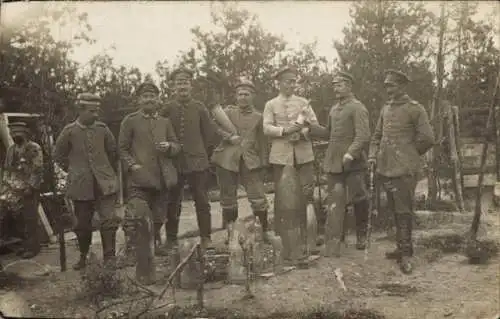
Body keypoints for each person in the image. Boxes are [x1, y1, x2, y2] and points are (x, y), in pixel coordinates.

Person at [368, 69, 435, 274]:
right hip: (387, 168)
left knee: (404, 211)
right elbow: (377, 135)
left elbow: (428, 138)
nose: (388, 90)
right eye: (387, 86)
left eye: (392, 86)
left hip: (404, 169)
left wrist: (410, 154)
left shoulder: (415, 109)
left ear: (402, 86)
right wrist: (372, 155)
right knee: (394, 211)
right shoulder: (385, 109)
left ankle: (406, 255)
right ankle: (401, 248)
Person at [118, 81, 180, 274]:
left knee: (159, 215)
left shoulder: (164, 122)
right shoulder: (130, 121)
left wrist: (169, 147)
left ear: (158, 99)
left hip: (161, 178)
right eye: (145, 96)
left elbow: (177, 146)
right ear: (139, 99)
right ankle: (132, 249)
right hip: (139, 179)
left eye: (153, 96)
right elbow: (122, 149)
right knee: (137, 214)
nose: (149, 99)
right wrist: (132, 165)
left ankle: (155, 242)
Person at [308, 71, 371, 256]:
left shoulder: (357, 108)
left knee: (359, 197)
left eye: (340, 84)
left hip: (354, 161)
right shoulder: (334, 109)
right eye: (334, 85)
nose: (336, 88)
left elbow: (363, 135)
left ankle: (361, 235)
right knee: (336, 199)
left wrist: (351, 153)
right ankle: (337, 236)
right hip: (334, 160)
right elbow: (328, 133)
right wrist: (310, 127)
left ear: (349, 86)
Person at [54, 93, 120, 270]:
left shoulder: (103, 129)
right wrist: (75, 171)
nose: (96, 115)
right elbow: (57, 155)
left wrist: (106, 172)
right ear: (81, 110)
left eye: (97, 111)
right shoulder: (69, 131)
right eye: (92, 111)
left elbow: (113, 152)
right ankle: (84, 256)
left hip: (104, 184)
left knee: (109, 221)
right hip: (81, 186)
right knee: (82, 225)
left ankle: (109, 257)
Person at [262, 66, 320, 257]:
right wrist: (285, 132)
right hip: (281, 155)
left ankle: (307, 236)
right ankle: (284, 237)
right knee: (282, 195)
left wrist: (302, 134)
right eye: (288, 81)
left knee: (306, 192)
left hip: (303, 154)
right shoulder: (271, 104)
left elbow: (314, 125)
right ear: (279, 83)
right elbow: (267, 128)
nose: (291, 85)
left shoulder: (304, 102)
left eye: (294, 81)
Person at [159, 67, 218, 252]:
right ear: (173, 86)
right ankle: (170, 239)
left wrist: (202, 154)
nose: (182, 86)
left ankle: (206, 238)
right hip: (175, 162)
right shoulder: (167, 108)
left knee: (201, 200)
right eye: (178, 82)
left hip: (198, 162)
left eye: (185, 82)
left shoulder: (200, 108)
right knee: (172, 202)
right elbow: (159, 131)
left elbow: (210, 135)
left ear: (191, 85)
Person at [211, 79, 270, 244]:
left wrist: (264, 163)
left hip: (250, 161)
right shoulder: (227, 112)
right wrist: (229, 136)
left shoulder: (259, 117)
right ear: (236, 96)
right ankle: (232, 235)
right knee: (228, 198)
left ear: (253, 96)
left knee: (258, 197)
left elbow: (263, 142)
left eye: (247, 94)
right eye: (240, 94)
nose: (243, 97)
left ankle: (262, 232)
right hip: (227, 159)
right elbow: (214, 128)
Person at [1, 122, 44, 259]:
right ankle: (25, 245)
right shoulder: (11, 150)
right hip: (15, 188)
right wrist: (7, 185)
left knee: (30, 217)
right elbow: (7, 168)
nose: (14, 137)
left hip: (29, 189)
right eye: (12, 134)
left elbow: (38, 170)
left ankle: (33, 247)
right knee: (19, 218)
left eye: (17, 134)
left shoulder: (33, 148)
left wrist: (30, 187)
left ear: (24, 133)